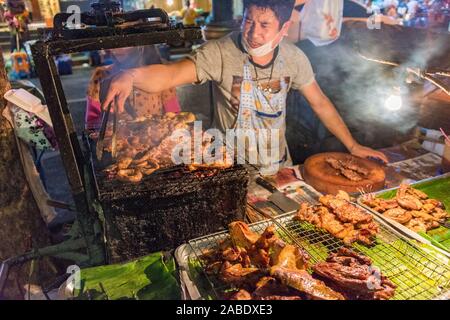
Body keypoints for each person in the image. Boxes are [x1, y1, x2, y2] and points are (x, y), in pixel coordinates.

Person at [103, 0, 388, 172]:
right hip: (231, 167)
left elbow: (320, 102)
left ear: (283, 29)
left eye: (264, 25)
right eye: (249, 20)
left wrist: (353, 145)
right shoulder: (220, 52)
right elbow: (171, 74)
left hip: (279, 167)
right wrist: (132, 76)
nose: (253, 32)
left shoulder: (294, 58)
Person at [86, 45, 181, 130]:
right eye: (114, 43)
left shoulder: (159, 71)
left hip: (156, 139)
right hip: (117, 142)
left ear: (141, 45)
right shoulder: (101, 75)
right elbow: (92, 121)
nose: (118, 48)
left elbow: (173, 113)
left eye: (126, 44)